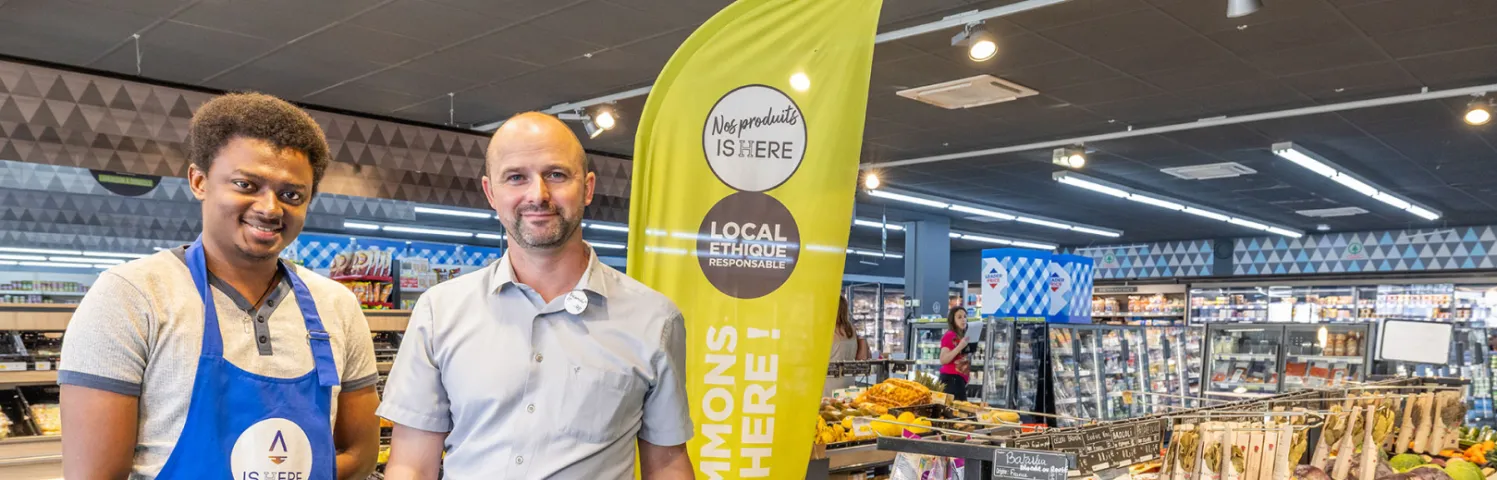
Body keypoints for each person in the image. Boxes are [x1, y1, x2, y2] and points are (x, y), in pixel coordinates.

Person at [58, 93, 381, 479]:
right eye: (246, 184)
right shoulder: (131, 296)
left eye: (291, 194)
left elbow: (359, 456)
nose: (270, 208)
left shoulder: (338, 306)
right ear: (199, 181)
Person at [377, 112, 694, 479]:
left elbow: (667, 463)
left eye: (556, 175)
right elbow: (412, 465)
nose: (538, 195)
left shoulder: (654, 320)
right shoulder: (440, 311)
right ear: (491, 193)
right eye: (516, 177)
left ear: (587, 188)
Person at [824, 296, 871, 396]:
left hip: (828, 383)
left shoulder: (827, 331)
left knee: (827, 409)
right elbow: (861, 358)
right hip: (848, 382)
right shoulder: (851, 329)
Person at [938, 307, 972, 400]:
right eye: (959, 317)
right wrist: (960, 347)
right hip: (951, 380)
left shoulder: (962, 336)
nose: (963, 319)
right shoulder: (950, 335)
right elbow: (943, 360)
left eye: (965, 316)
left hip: (958, 380)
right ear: (953, 320)